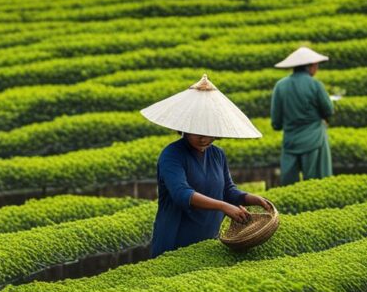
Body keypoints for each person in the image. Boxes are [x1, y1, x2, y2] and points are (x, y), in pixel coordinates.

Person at [140, 75, 273, 257]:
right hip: (176, 239)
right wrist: (223, 207)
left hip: (209, 238)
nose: (203, 138)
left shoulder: (217, 154)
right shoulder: (172, 155)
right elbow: (181, 194)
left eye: (209, 132)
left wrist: (252, 199)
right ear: (184, 127)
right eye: (197, 132)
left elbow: (228, 190)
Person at [271, 47, 335, 186]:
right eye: (316, 65)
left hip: (290, 141)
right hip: (315, 139)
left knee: (288, 185)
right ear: (310, 67)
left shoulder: (280, 86)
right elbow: (328, 110)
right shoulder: (315, 85)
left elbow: (276, 122)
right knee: (317, 184)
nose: (316, 68)